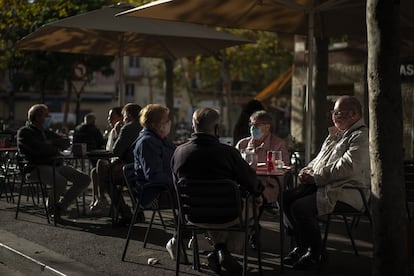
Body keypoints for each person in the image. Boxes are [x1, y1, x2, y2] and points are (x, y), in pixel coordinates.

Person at [170, 107, 264, 274]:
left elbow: (176, 185)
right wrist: (258, 192)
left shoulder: (179, 153)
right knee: (252, 205)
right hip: (227, 215)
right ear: (216, 128)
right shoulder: (228, 153)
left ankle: (219, 250)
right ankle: (224, 251)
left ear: (193, 127)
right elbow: (252, 182)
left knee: (213, 206)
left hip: (193, 215)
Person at [282, 96, 370, 270]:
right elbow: (318, 160)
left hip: (347, 192)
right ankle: (302, 246)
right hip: (325, 186)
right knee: (285, 198)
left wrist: (316, 177)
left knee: (300, 207)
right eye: (333, 112)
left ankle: (316, 252)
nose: (334, 116)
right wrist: (306, 171)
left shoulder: (361, 136)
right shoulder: (336, 134)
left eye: (338, 113)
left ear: (353, 114)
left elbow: (347, 166)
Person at [16, 104, 91, 220]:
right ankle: (51, 209)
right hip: (36, 168)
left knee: (84, 179)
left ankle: (60, 207)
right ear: (37, 117)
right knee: (61, 181)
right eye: (46, 116)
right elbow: (38, 150)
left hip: (55, 165)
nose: (48, 118)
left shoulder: (46, 132)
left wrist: (49, 143)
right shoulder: (25, 132)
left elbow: (65, 142)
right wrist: (53, 146)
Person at [235, 110, 290, 203]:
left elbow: (281, 171)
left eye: (256, 125)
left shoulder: (278, 145)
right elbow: (234, 165)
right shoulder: (242, 144)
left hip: (268, 186)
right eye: (251, 125)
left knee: (251, 199)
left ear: (267, 126)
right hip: (244, 184)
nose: (252, 128)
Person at [103, 103, 142, 224]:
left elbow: (116, 151)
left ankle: (124, 212)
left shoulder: (128, 128)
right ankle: (138, 212)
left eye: (124, 115)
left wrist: (118, 134)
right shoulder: (146, 126)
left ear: (129, 115)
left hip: (130, 170)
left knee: (105, 177)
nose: (123, 117)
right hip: (145, 170)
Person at [132, 104, 176, 208]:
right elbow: (155, 176)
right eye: (165, 121)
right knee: (195, 194)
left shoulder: (159, 139)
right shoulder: (147, 143)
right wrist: (178, 183)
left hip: (165, 190)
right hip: (153, 195)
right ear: (153, 125)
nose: (169, 123)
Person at [89, 107, 123, 213]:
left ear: (120, 117)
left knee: (101, 165)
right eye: (108, 116)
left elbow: (116, 151)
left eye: (112, 116)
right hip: (111, 162)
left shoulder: (122, 130)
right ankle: (98, 198)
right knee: (94, 172)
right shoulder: (111, 131)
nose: (109, 119)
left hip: (119, 164)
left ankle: (102, 198)